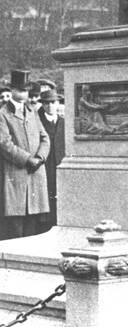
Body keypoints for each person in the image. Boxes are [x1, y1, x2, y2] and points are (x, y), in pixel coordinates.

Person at [0, 70, 51, 239]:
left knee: (34, 226)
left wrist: (40, 158)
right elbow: (4, 143)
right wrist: (27, 159)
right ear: (12, 90)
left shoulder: (32, 112)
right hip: (16, 175)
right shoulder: (3, 114)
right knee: (16, 226)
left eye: (25, 89)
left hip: (36, 174)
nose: (23, 92)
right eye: (19, 89)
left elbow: (45, 138)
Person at [37, 88, 64, 231]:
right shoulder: (38, 122)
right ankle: (45, 225)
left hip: (59, 164)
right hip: (45, 165)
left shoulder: (63, 122)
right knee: (46, 195)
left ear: (58, 103)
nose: (50, 106)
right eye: (46, 103)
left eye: (53, 102)